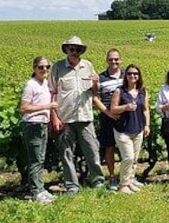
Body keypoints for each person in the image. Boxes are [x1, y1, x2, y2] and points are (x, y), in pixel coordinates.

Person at [49, 35, 106, 193]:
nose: (74, 52)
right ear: (66, 49)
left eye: (77, 49)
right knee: (66, 153)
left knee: (92, 150)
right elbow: (51, 92)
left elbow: (95, 92)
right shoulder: (57, 67)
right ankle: (72, 186)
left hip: (85, 116)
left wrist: (95, 83)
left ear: (81, 51)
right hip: (65, 117)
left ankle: (98, 182)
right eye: (71, 49)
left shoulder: (88, 66)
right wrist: (54, 116)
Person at [20, 56, 58, 204]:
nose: (44, 70)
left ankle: (40, 189)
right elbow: (24, 108)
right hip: (33, 125)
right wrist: (46, 107)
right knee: (36, 160)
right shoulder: (31, 85)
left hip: (42, 124)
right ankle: (37, 191)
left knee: (40, 158)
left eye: (47, 67)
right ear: (34, 68)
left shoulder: (44, 84)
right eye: (41, 67)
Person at [110, 64, 150, 194]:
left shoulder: (143, 91)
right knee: (128, 157)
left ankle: (130, 180)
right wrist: (125, 107)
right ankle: (123, 185)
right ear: (125, 76)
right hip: (123, 130)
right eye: (130, 73)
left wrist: (147, 125)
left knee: (134, 158)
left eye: (136, 74)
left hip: (137, 128)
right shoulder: (119, 91)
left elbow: (145, 109)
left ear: (139, 76)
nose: (133, 76)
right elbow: (113, 109)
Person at [94, 48, 124, 190]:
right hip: (107, 117)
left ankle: (127, 176)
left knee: (127, 147)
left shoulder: (128, 74)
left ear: (121, 60)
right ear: (106, 60)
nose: (114, 61)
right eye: (111, 59)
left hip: (125, 117)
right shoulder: (100, 78)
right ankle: (112, 177)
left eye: (116, 59)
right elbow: (95, 98)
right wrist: (108, 113)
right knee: (109, 147)